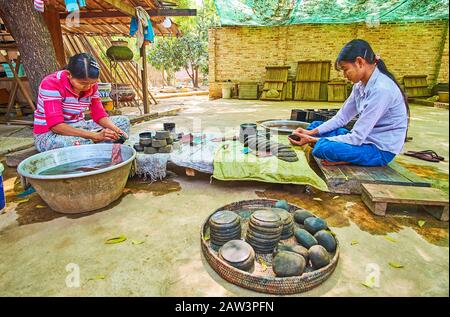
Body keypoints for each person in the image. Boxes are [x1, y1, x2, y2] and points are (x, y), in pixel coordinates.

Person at [289, 39, 408, 167]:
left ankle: (349, 158)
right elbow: (342, 118)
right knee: (315, 126)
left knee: (322, 148)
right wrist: (310, 134)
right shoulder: (359, 85)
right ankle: (342, 152)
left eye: (345, 69)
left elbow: (356, 137)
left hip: (379, 150)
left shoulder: (382, 90)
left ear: (359, 62)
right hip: (364, 140)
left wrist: (313, 140)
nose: (345, 75)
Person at [33, 53, 130, 152]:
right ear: (69, 75)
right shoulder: (51, 84)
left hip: (80, 127)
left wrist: (116, 130)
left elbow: (99, 114)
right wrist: (94, 136)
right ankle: (99, 150)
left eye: (92, 83)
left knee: (122, 122)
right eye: (83, 83)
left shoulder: (92, 86)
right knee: (79, 143)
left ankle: (102, 150)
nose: (88, 87)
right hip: (50, 135)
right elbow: (56, 126)